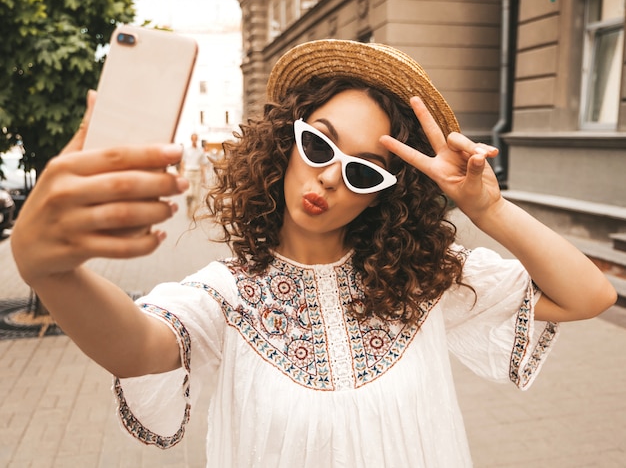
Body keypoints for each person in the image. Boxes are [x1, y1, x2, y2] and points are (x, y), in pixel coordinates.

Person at [10, 40, 616, 467]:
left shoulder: (424, 285)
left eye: (363, 172)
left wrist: (490, 210)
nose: (330, 177)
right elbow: (137, 347)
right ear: (285, 142)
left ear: (385, 197)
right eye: (319, 145)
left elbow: (590, 295)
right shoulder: (225, 295)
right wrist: (47, 269)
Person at [180, 132, 208, 217]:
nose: (194, 140)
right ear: (191, 139)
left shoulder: (200, 151)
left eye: (196, 138)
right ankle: (188, 206)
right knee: (189, 194)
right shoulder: (186, 150)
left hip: (197, 173)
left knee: (196, 195)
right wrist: (182, 174)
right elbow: (182, 162)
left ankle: (193, 213)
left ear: (197, 139)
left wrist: (204, 176)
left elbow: (202, 164)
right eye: (193, 138)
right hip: (188, 173)